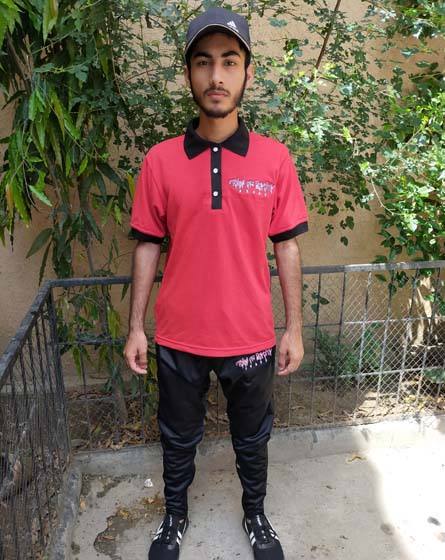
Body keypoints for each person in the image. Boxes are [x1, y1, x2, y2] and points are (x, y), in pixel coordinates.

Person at [124, 6, 309, 560]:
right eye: (203, 62)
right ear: (188, 74)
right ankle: (174, 518)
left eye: (230, 61)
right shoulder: (160, 161)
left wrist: (293, 328)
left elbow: (287, 246)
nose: (216, 76)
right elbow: (147, 244)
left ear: (248, 72)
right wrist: (136, 327)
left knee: (253, 439)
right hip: (179, 337)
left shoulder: (275, 160)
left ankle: (256, 515)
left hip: (249, 336)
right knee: (177, 438)